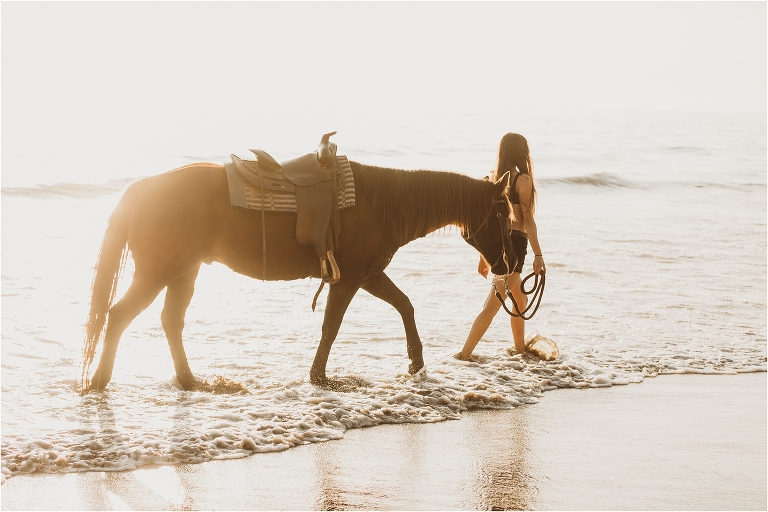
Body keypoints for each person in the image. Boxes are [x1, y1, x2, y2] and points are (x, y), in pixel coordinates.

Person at [457, 133, 546, 361]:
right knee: (493, 305)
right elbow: (528, 220)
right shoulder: (523, 180)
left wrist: (483, 256)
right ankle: (464, 354)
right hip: (514, 243)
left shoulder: (490, 179)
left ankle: (519, 350)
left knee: (520, 300)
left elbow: (486, 224)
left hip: (497, 243)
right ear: (520, 151)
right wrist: (538, 255)